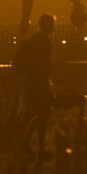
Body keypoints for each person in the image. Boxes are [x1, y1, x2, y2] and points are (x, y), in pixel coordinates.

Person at [17, 13, 55, 161]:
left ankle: (33, 145)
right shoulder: (44, 41)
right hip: (39, 82)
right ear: (47, 25)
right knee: (43, 114)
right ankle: (36, 146)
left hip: (33, 81)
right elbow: (42, 64)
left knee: (41, 114)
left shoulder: (35, 39)